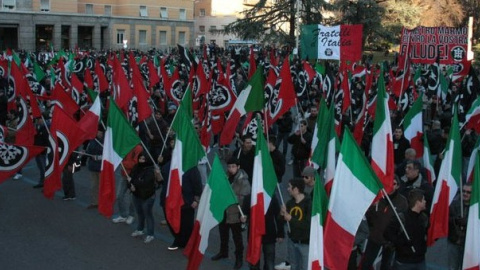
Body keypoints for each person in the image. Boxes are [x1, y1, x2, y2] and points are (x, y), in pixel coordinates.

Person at [211, 157, 250, 270]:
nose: (231, 169)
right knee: (223, 234)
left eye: (233, 166)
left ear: (238, 167)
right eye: (229, 166)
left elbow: (245, 198)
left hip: (235, 214)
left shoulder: (243, 180)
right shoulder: (225, 177)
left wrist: (231, 196)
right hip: (223, 211)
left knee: (237, 238)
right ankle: (223, 252)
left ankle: (239, 259)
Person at [362, 176, 408, 270]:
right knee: (366, 263)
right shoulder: (378, 197)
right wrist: (371, 208)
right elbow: (368, 216)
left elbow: (404, 221)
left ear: (398, 186)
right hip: (375, 237)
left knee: (386, 265)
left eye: (394, 184)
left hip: (389, 241)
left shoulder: (402, 201)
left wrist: (396, 238)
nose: (391, 186)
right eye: (389, 183)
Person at [384, 189, 429, 270]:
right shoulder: (401, 218)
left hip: (420, 260)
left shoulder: (424, 218)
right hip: (404, 262)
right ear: (417, 202)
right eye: (423, 199)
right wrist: (401, 241)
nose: (425, 201)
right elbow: (387, 234)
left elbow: (428, 234)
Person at [128, 152, 162, 244]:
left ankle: (150, 234)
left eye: (143, 159)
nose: (141, 160)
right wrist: (130, 185)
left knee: (148, 214)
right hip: (136, 195)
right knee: (139, 213)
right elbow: (130, 178)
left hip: (148, 196)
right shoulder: (136, 167)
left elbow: (146, 182)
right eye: (140, 158)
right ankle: (140, 229)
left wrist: (134, 182)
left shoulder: (150, 170)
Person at [167, 165, 202, 250]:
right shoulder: (175, 164)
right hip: (176, 200)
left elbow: (197, 184)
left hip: (188, 201)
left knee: (188, 224)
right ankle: (178, 241)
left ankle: (189, 244)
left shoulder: (192, 168)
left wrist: (196, 200)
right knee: (177, 222)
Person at [280, 178, 311, 270]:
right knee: (294, 267)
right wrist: (282, 214)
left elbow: (307, 225)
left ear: (296, 189)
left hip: (305, 244)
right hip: (292, 242)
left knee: (305, 267)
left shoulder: (309, 204)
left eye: (289, 187)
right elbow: (282, 220)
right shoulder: (290, 203)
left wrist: (291, 219)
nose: (287, 189)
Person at [112, 144, 143, 224]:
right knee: (119, 195)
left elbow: (136, 163)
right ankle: (123, 215)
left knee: (133, 197)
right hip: (124, 175)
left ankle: (131, 215)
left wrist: (122, 163)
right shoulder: (125, 146)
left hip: (134, 176)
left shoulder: (138, 148)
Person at [447, 183, 472, 270]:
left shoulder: (475, 208)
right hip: (454, 242)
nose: (465, 194)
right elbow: (446, 219)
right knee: (453, 267)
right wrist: (455, 220)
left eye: (468, 192)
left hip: (468, 245)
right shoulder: (454, 204)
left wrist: (468, 223)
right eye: (463, 191)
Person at [85, 129, 104, 209]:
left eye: (100, 131)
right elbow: (88, 151)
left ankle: (102, 203)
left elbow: (108, 155)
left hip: (101, 167)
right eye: (97, 131)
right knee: (94, 186)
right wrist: (87, 153)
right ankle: (95, 202)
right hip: (93, 166)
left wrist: (98, 157)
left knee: (101, 186)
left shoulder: (106, 141)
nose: (98, 133)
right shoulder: (92, 140)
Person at [33, 117, 49, 188]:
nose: (38, 121)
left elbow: (47, 141)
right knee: (40, 167)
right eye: (37, 119)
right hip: (37, 150)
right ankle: (42, 182)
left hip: (42, 151)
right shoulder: (38, 127)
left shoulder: (47, 128)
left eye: (39, 119)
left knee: (44, 168)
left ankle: (46, 184)